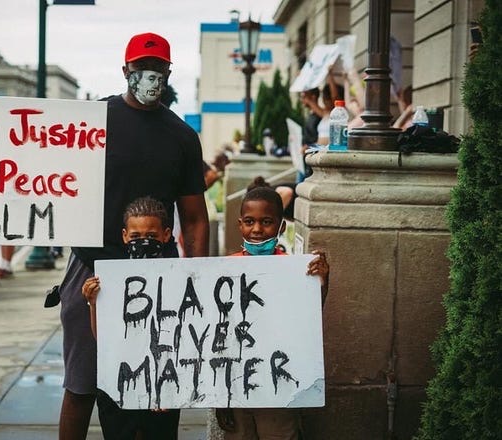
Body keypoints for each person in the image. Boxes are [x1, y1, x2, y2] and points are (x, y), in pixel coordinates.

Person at [57, 32, 209, 439]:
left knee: (159, 385)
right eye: (142, 68)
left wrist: (197, 280)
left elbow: (194, 218)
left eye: (158, 68)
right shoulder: (92, 122)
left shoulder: (181, 137)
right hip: (92, 269)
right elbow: (54, 181)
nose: (150, 75)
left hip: (160, 276)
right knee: (82, 384)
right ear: (125, 70)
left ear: (169, 72)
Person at [217, 178, 330, 440]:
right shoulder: (224, 269)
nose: (257, 229)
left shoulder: (295, 269)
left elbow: (309, 318)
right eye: (249, 221)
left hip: (279, 385)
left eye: (266, 222)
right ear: (240, 225)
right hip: (235, 385)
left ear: (280, 226)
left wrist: (322, 280)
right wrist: (220, 398)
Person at [82, 197, 180, 439]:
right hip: (118, 382)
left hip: (161, 382)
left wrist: (165, 387)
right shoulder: (111, 278)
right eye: (136, 237)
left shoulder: (178, 278)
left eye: (152, 236)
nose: (143, 242)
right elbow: (101, 337)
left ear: (166, 235)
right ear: (125, 236)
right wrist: (93, 304)